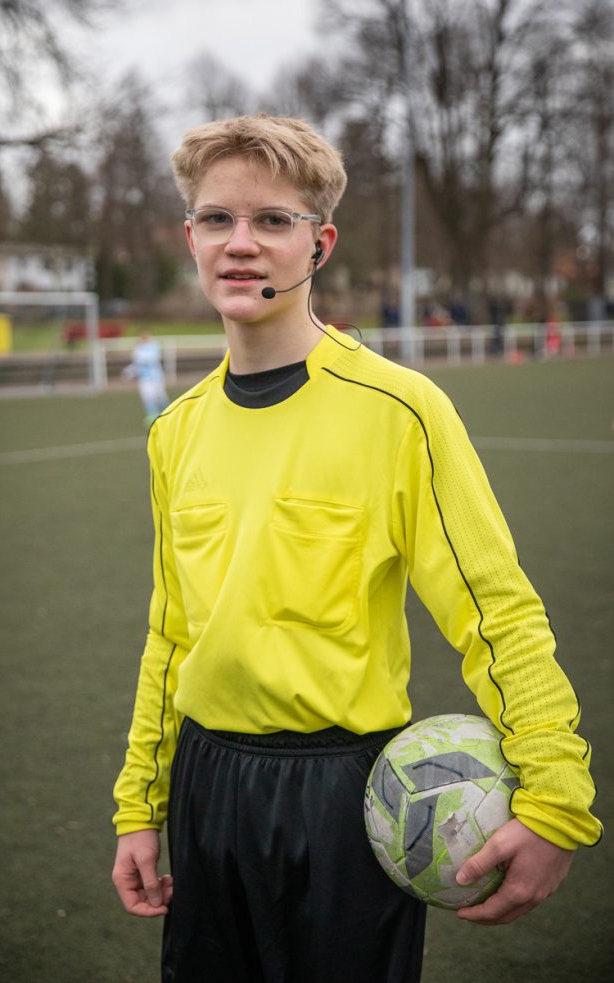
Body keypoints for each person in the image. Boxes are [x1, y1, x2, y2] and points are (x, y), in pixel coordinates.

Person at [111, 115, 602, 982]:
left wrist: (556, 799)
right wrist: (139, 806)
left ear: (319, 244)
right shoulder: (174, 431)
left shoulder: (400, 409)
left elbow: (497, 611)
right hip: (205, 788)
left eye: (273, 220)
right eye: (217, 219)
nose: (241, 243)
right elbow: (169, 634)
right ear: (190, 237)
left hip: (342, 796)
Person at [121, 330, 170, 426]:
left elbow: (151, 358)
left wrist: (140, 357)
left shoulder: (154, 346)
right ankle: (152, 417)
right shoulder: (138, 348)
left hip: (156, 377)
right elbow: (136, 363)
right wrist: (128, 373)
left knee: (160, 397)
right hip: (144, 379)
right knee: (148, 398)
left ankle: (168, 413)